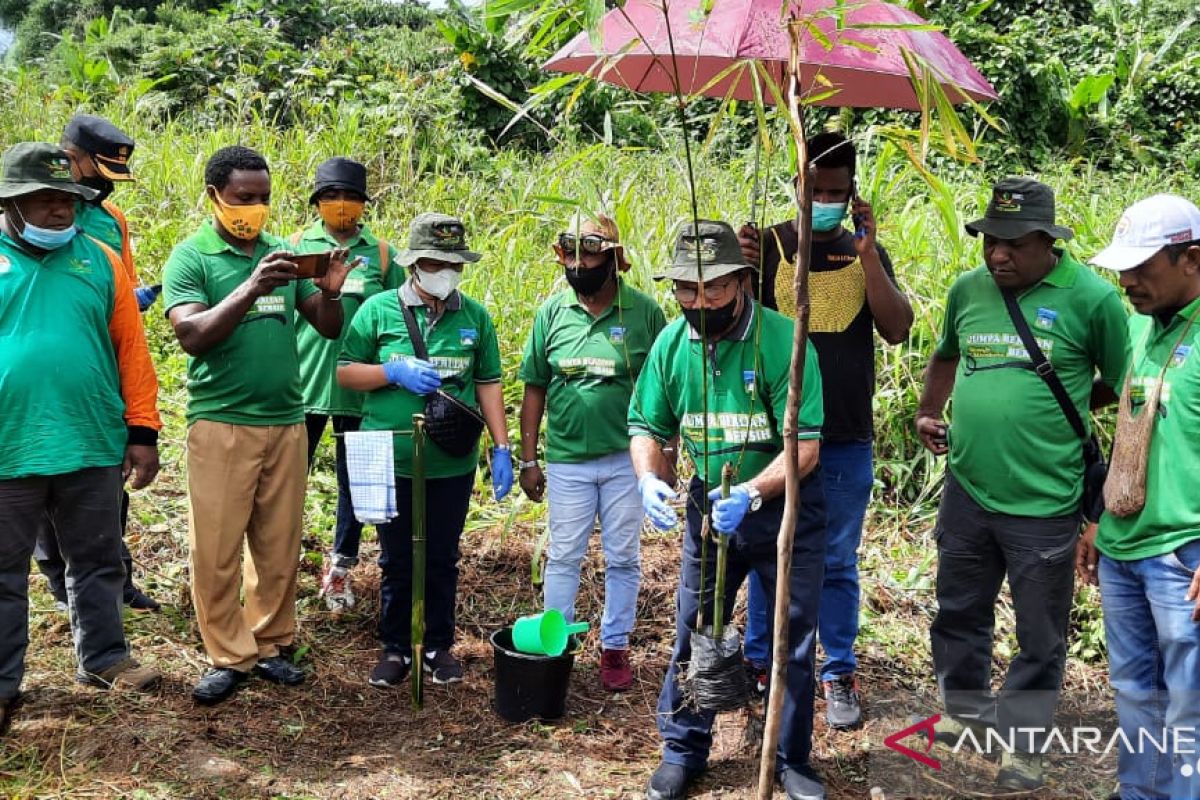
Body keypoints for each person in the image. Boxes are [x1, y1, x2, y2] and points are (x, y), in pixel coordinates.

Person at [914, 177, 1129, 790]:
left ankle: (1024, 745)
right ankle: (964, 716)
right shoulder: (968, 291)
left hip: (1045, 500)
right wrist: (930, 410)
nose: (997, 254)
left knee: (1039, 633)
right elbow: (948, 354)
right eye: (989, 241)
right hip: (968, 490)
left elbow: (1120, 383)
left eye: (1013, 243)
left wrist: (1054, 405)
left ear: (1048, 242)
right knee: (958, 612)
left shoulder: (1092, 299)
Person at [631, 220, 827, 800]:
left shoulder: (782, 341)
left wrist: (753, 493)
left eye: (713, 288)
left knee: (790, 633)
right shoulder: (672, 345)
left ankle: (790, 756)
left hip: (782, 505)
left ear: (742, 280)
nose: (700, 301)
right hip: (705, 503)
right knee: (697, 624)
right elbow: (646, 424)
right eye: (686, 290)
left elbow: (806, 444)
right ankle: (683, 750)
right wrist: (648, 478)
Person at [163, 145, 352, 706]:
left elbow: (324, 325)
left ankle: (270, 642)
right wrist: (250, 288)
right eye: (246, 198)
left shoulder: (281, 253)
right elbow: (191, 336)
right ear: (215, 196)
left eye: (265, 198)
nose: (257, 208)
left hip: (286, 422)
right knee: (216, 549)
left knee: (277, 546)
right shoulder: (192, 257)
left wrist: (330, 291)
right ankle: (228, 653)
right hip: (222, 422)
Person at [736, 130, 912, 728]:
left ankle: (838, 671)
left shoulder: (865, 250)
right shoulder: (768, 246)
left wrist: (868, 253)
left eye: (838, 191)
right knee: (770, 555)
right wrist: (739, 265)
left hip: (843, 435)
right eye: (817, 189)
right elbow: (737, 324)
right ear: (797, 185)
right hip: (775, 435)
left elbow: (897, 328)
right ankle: (762, 662)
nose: (827, 199)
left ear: (854, 193)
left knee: (836, 559)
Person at [0, 142, 163, 733]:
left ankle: (104, 659)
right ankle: (3, 684)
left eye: (66, 199)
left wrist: (143, 430)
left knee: (96, 559)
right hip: (9, 447)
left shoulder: (99, 259)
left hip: (91, 441)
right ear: (12, 204)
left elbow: (132, 349)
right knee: (3, 571)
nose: (58, 211)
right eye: (42, 200)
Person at [338, 212, 512, 687]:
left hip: (449, 459)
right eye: (436, 261)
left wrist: (502, 447)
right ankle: (395, 647)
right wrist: (392, 373)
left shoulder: (474, 316)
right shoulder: (378, 310)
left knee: (440, 557)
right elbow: (346, 371)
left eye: (454, 263)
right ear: (414, 263)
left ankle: (437, 645)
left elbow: (488, 382)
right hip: (391, 455)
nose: (446, 271)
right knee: (395, 558)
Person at [1080, 194, 1200, 800]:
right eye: (1122, 268)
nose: (1127, 282)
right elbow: (1129, 434)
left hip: (1186, 553)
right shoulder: (1135, 326)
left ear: (1191, 259)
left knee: (1189, 701)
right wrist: (1101, 519)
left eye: (1142, 268)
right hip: (1125, 548)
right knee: (1133, 692)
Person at [517, 214, 666, 692]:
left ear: (614, 256)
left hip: (627, 461)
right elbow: (535, 387)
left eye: (592, 253)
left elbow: (664, 388)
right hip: (566, 460)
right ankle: (555, 645)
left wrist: (665, 457)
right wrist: (528, 457)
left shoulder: (642, 313)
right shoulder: (552, 313)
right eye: (571, 253)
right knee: (563, 556)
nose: (580, 264)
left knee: (623, 557)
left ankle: (615, 646)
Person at [33, 113, 162, 614]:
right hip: (41, 376)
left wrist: (134, 297)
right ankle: (58, 582)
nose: (106, 183)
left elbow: (121, 291)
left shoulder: (112, 220)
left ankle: (115, 579)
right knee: (42, 475)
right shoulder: (29, 210)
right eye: (99, 170)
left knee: (105, 481)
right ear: (73, 158)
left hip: (100, 370)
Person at [291, 157, 400, 612]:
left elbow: (397, 314)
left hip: (360, 388)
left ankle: (340, 568)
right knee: (287, 478)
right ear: (317, 202)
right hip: (305, 384)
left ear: (364, 204)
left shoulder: (380, 254)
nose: (341, 205)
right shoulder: (297, 244)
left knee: (355, 483)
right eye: (331, 196)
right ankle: (279, 561)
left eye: (351, 197)